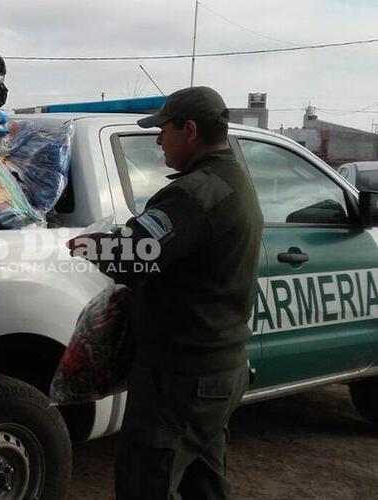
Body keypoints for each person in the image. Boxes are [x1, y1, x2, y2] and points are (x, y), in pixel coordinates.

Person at [69, 86, 263, 500]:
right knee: (204, 485)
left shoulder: (194, 194)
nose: (158, 140)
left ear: (189, 130)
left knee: (147, 484)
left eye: (163, 130)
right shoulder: (233, 182)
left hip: (181, 380)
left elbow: (129, 256)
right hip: (216, 373)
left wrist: (83, 244)